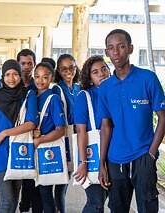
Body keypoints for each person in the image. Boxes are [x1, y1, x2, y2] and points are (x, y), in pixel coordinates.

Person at [98, 29, 165, 213]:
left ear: (130, 48)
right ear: (107, 53)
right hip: (115, 159)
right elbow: (105, 128)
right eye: (111, 48)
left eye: (121, 46)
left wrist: (151, 154)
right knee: (117, 209)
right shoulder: (105, 87)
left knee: (148, 208)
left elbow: (162, 117)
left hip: (143, 155)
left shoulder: (147, 78)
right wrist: (101, 163)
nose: (116, 52)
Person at [0, 59, 38, 213]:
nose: (11, 78)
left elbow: (31, 123)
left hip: (20, 150)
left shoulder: (28, 96)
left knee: (15, 196)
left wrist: (5, 133)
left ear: (20, 76)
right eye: (7, 74)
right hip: (1, 152)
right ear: (2, 77)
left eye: (15, 74)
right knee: (6, 197)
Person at [73, 55, 110, 212]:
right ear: (89, 78)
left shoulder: (115, 93)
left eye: (104, 69)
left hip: (114, 154)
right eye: (95, 72)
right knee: (96, 202)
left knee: (105, 199)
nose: (101, 73)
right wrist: (83, 163)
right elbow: (81, 131)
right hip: (92, 155)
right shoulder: (85, 96)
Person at [33, 62, 66, 213]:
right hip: (34, 150)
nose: (40, 81)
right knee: (39, 193)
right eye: (37, 76)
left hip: (47, 150)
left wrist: (40, 140)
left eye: (45, 77)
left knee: (46, 193)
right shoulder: (31, 97)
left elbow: (60, 130)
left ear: (51, 78)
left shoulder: (54, 99)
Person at [53, 53, 80, 213]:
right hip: (64, 137)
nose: (68, 71)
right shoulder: (57, 89)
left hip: (78, 137)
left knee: (68, 178)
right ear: (59, 71)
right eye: (64, 69)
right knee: (62, 181)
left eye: (71, 67)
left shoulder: (78, 88)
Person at [16, 49, 39, 213]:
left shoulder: (37, 86)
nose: (26, 67)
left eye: (29, 63)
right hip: (14, 137)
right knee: (12, 178)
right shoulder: (11, 84)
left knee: (30, 179)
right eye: (23, 63)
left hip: (33, 138)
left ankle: (25, 206)